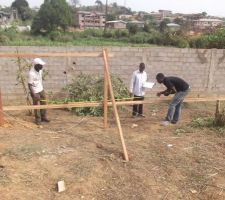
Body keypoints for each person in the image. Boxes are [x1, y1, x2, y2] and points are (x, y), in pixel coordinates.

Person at [28, 58, 50, 125]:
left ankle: (43, 117)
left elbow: (40, 80)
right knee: (36, 106)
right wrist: (34, 94)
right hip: (35, 91)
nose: (42, 66)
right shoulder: (31, 73)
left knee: (44, 103)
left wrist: (42, 88)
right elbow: (29, 84)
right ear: (36, 65)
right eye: (41, 65)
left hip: (41, 89)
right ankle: (38, 120)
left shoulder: (40, 70)